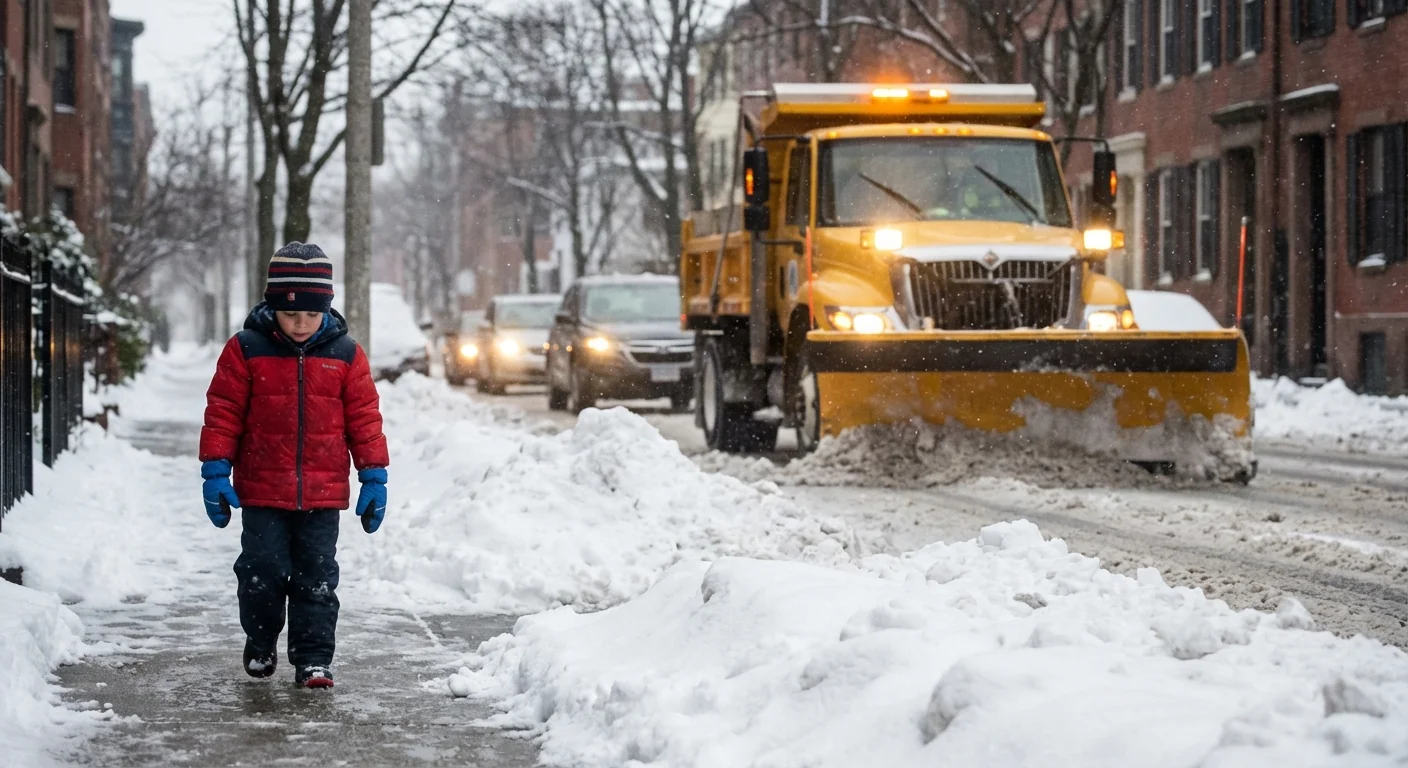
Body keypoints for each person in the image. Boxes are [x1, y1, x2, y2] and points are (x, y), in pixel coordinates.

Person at [198, 242, 390, 689]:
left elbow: (365, 419)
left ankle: (314, 659)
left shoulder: (345, 353)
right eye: (290, 314)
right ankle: (261, 641)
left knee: (317, 579)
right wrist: (215, 470)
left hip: (322, 494)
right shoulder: (246, 349)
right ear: (272, 306)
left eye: (311, 313)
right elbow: (223, 410)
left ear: (326, 307)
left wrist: (374, 475)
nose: (301, 323)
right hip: (262, 489)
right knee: (261, 573)